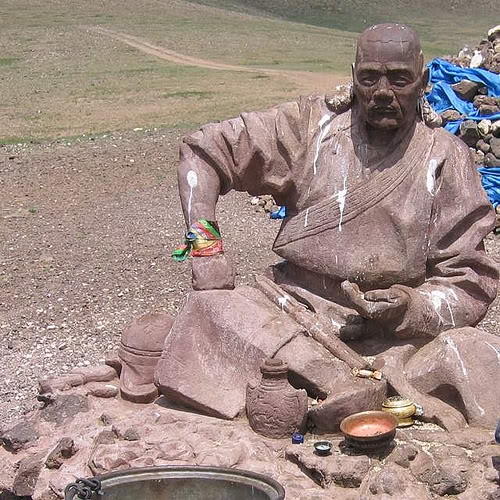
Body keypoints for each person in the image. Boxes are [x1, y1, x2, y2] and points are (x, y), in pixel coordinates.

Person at [123, 24, 500, 430]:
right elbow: (202, 151)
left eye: (399, 79)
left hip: (393, 340)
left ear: (423, 82)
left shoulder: (446, 157)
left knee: (477, 355)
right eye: (369, 78)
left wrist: (411, 306)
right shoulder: (308, 128)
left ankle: (340, 388)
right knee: (213, 308)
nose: (382, 92)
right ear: (352, 76)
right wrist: (205, 247)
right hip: (290, 314)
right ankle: (336, 385)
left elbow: (469, 280)